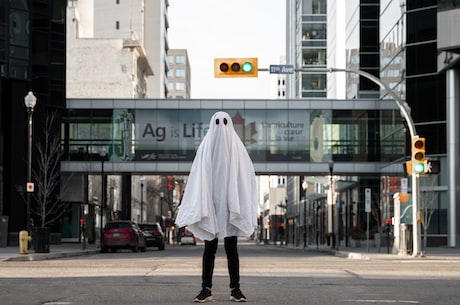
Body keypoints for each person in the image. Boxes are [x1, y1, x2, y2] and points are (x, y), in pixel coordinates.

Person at [175, 111, 258, 303]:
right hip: (210, 207)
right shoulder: (206, 147)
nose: (221, 126)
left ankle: (235, 289)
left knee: (232, 249)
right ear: (213, 124)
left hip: (230, 207)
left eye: (225, 122)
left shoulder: (237, 149)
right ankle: (206, 289)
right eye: (218, 122)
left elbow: (246, 177)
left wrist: (239, 204)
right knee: (209, 249)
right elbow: (198, 176)